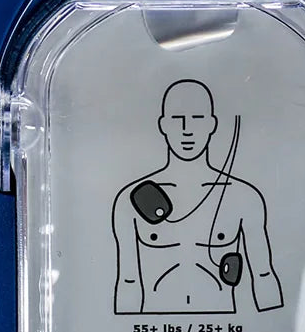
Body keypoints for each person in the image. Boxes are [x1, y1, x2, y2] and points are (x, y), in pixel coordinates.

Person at [112, 79, 283, 315]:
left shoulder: (243, 196)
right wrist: (124, 329)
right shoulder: (132, 200)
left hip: (223, 319)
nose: (187, 130)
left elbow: (263, 274)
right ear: (163, 125)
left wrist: (274, 327)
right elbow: (128, 279)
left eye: (197, 119)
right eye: (177, 119)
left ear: (212, 124)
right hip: (154, 319)